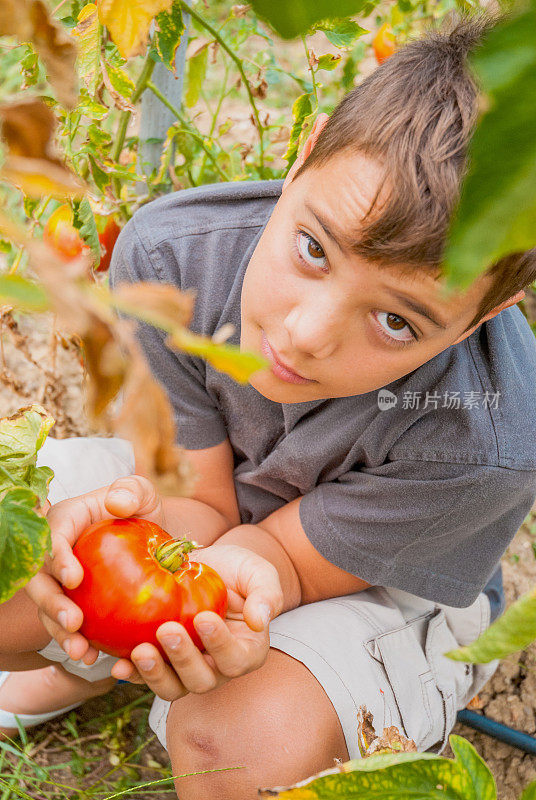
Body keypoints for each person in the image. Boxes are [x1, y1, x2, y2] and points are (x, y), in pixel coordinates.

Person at [1, 12, 536, 799]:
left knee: (235, 743)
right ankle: (94, 667)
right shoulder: (170, 259)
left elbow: (284, 560)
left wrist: (219, 598)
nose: (305, 333)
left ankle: (151, 673)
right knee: (26, 564)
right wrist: (116, 565)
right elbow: (199, 500)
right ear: (306, 153)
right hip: (210, 503)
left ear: (489, 314)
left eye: (396, 320)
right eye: (313, 249)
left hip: (373, 575)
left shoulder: (489, 439)